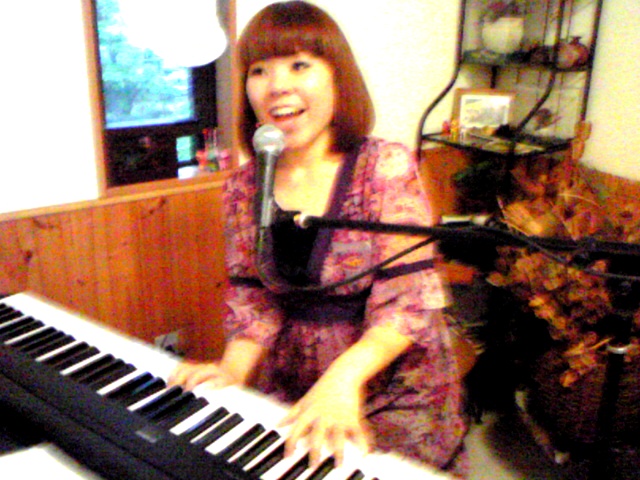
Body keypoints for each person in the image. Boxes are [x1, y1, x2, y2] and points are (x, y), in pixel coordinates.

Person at [170, 1, 469, 476]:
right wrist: (232, 369)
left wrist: (342, 381)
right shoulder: (242, 188)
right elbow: (252, 296)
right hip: (294, 378)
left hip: (394, 387)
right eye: (259, 70)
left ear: (337, 77)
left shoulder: (384, 167)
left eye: (299, 64)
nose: (277, 85)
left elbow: (409, 300)